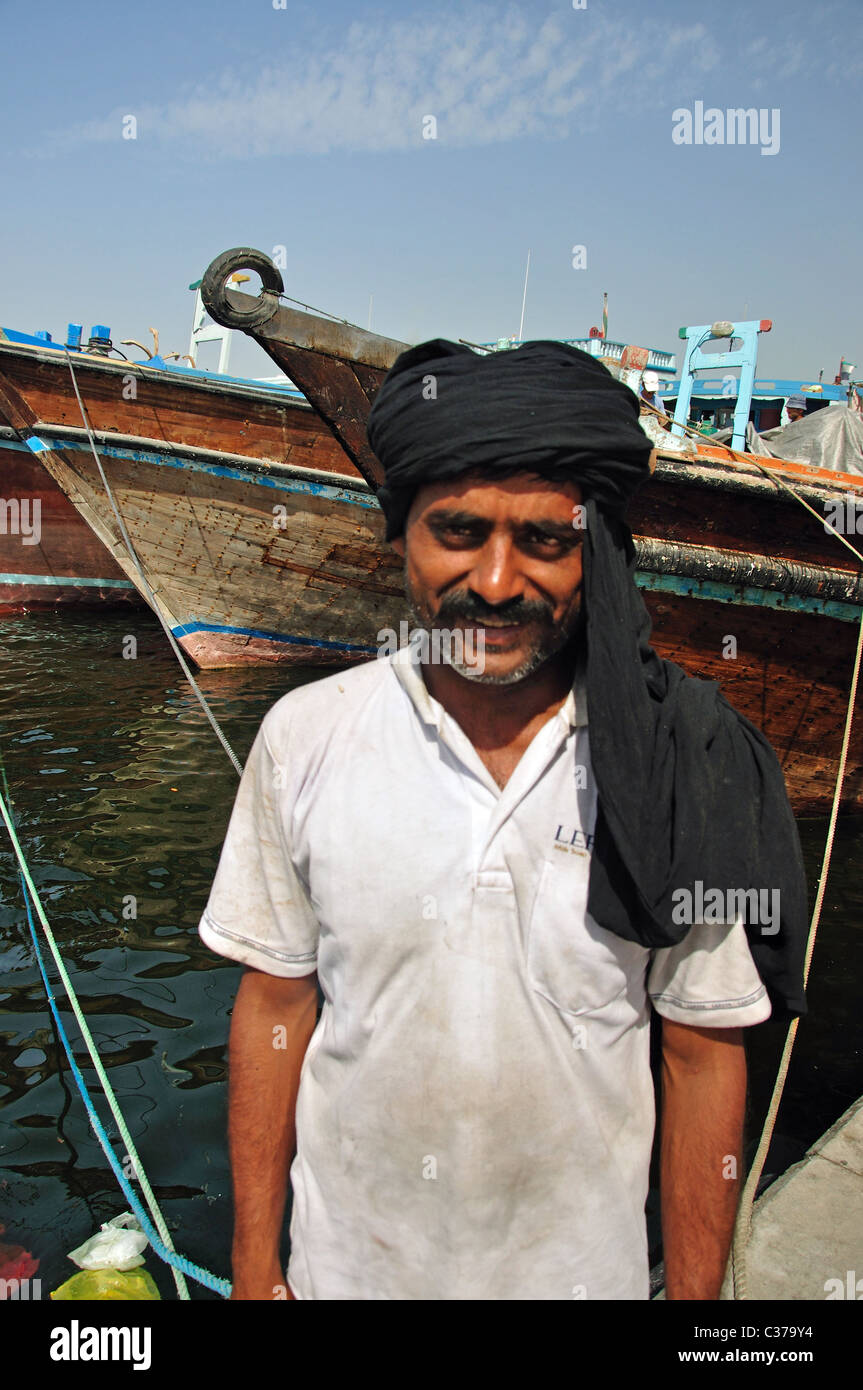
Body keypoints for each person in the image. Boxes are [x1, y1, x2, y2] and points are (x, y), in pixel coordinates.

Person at [199, 339, 807, 1302]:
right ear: (400, 537)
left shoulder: (671, 758)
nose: (493, 580)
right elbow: (275, 1005)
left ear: (593, 550)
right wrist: (251, 1270)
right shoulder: (305, 736)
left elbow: (700, 1052)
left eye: (544, 541)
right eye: (458, 530)